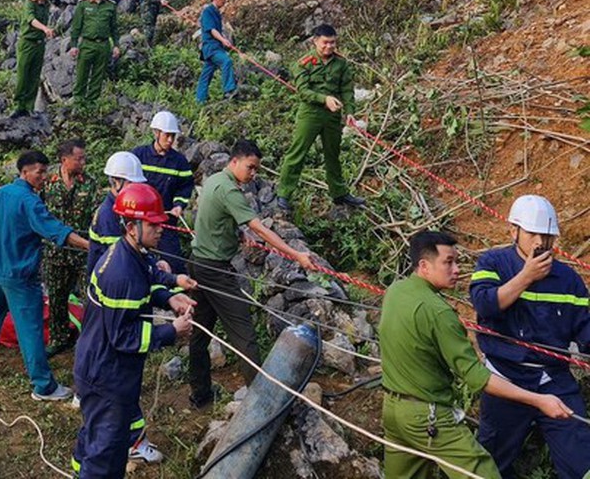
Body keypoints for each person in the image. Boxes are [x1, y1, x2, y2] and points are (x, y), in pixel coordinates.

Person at [379, 230, 574, 478]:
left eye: (457, 261)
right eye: (448, 262)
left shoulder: (396, 292)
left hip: (393, 411)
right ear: (424, 266)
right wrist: (539, 400)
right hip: (428, 417)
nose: (457, 269)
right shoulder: (439, 313)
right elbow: (478, 378)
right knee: (483, 473)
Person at [71, 184, 197, 477]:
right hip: (107, 372)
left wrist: (169, 296)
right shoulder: (121, 272)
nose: (161, 229)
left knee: (94, 435)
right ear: (131, 226)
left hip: (100, 365)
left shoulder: (131, 252)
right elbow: (123, 337)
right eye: (153, 224)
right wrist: (172, 331)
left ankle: (80, 469)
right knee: (107, 450)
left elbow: (149, 276)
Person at [469, 196, 590, 479]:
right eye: (532, 233)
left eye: (546, 236)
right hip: (504, 378)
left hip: (553, 380)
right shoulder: (493, 262)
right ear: (514, 231)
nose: (540, 242)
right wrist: (526, 277)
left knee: (581, 460)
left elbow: (585, 330)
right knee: (490, 464)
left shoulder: (568, 279)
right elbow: (485, 304)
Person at [188, 139, 315, 408]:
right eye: (251, 167)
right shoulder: (230, 191)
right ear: (235, 161)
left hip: (198, 263)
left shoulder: (214, 181)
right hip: (215, 270)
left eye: (256, 169)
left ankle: (200, 396)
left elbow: (216, 219)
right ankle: (262, 404)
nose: (253, 174)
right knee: (244, 332)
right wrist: (297, 255)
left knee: (199, 334)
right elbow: (260, 229)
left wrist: (236, 233)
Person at [0, 150, 90, 401]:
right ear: (25, 172)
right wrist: (90, 246)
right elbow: (55, 230)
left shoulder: (0, 194)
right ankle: (44, 386)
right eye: (39, 172)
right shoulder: (30, 201)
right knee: (30, 330)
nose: (43, 177)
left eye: (45, 171)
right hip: (20, 276)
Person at [275, 24, 364, 212]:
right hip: (310, 114)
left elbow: (347, 90)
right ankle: (284, 194)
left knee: (333, 155)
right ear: (315, 41)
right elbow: (303, 91)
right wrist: (324, 99)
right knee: (297, 153)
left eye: (333, 43)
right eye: (325, 43)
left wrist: (350, 111)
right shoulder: (303, 63)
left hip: (332, 117)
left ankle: (339, 193)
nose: (329, 47)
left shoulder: (341, 64)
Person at [41, 139, 98, 357]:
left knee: (89, 297)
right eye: (79, 158)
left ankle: (90, 339)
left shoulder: (89, 183)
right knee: (57, 297)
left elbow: (96, 212)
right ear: (64, 160)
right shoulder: (47, 181)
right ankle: (59, 338)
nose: (83, 162)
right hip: (55, 252)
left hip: (83, 252)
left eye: (84, 158)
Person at [131, 111, 194, 275]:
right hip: (139, 221)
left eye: (173, 136)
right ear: (156, 133)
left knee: (173, 263)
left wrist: (179, 205)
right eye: (167, 135)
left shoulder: (179, 162)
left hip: (165, 221)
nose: (171, 140)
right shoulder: (138, 156)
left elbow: (185, 186)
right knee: (136, 261)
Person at [88, 151, 148, 276]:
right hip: (108, 278)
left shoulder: (123, 207)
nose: (135, 188)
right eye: (130, 183)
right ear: (116, 182)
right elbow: (120, 255)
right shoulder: (108, 214)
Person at [12, 0, 59, 118]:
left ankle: (29, 107)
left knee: (34, 76)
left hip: (39, 44)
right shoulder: (30, 3)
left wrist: (50, 31)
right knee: (23, 75)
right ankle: (19, 106)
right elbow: (31, 19)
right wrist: (45, 28)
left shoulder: (46, 5)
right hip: (27, 43)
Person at [70, 0, 120, 110]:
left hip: (103, 45)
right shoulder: (83, 4)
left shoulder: (110, 5)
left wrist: (116, 45)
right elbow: (76, 27)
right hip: (87, 44)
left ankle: (91, 104)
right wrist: (74, 45)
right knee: (82, 74)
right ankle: (78, 103)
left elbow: (114, 28)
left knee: (98, 76)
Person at [195, 0, 237, 104]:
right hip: (211, 47)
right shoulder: (208, 11)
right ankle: (229, 90)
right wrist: (224, 40)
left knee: (206, 74)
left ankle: (200, 99)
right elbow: (212, 30)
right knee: (226, 61)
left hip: (215, 47)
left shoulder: (216, 13)